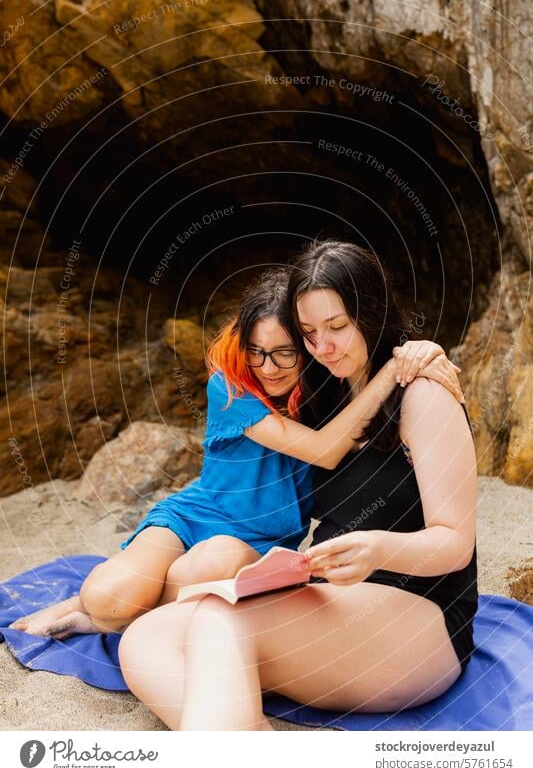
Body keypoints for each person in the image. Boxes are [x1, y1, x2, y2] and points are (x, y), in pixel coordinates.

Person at [117, 241, 477, 731]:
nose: (322, 346)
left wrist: (377, 549)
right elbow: (243, 358)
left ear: (370, 312)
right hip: (327, 605)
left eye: (337, 327)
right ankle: (247, 743)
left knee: (221, 621)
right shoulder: (321, 391)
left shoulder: (423, 394)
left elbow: (456, 543)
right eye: (308, 333)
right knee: (144, 639)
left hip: (417, 620)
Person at [9, 268, 459, 642]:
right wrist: (391, 373)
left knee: (207, 565)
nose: (269, 367)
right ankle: (101, 604)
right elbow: (324, 451)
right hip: (194, 515)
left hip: (258, 546)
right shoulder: (230, 386)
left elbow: (363, 385)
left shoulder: (328, 392)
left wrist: (422, 351)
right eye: (257, 352)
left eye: (285, 351)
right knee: (111, 596)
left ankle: (121, 609)